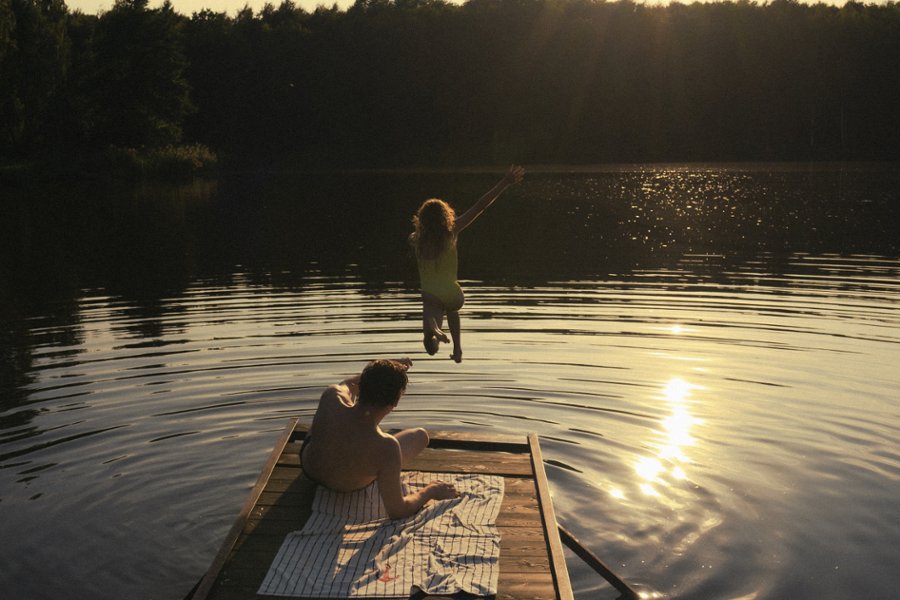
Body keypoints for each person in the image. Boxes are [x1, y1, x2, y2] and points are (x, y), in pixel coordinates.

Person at [300, 358, 458, 519]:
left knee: (338, 397)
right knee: (420, 436)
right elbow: (398, 511)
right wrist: (431, 490)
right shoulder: (387, 446)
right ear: (395, 402)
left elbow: (350, 383)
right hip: (346, 485)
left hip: (312, 469)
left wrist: (381, 368)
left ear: (362, 386)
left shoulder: (332, 395)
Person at [410, 165, 525, 362]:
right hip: (453, 294)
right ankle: (457, 350)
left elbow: (417, 238)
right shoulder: (452, 232)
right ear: (445, 216)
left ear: (422, 219)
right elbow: (481, 205)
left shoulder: (415, 239)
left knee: (430, 349)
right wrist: (505, 182)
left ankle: (432, 332)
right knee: (452, 309)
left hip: (432, 297)